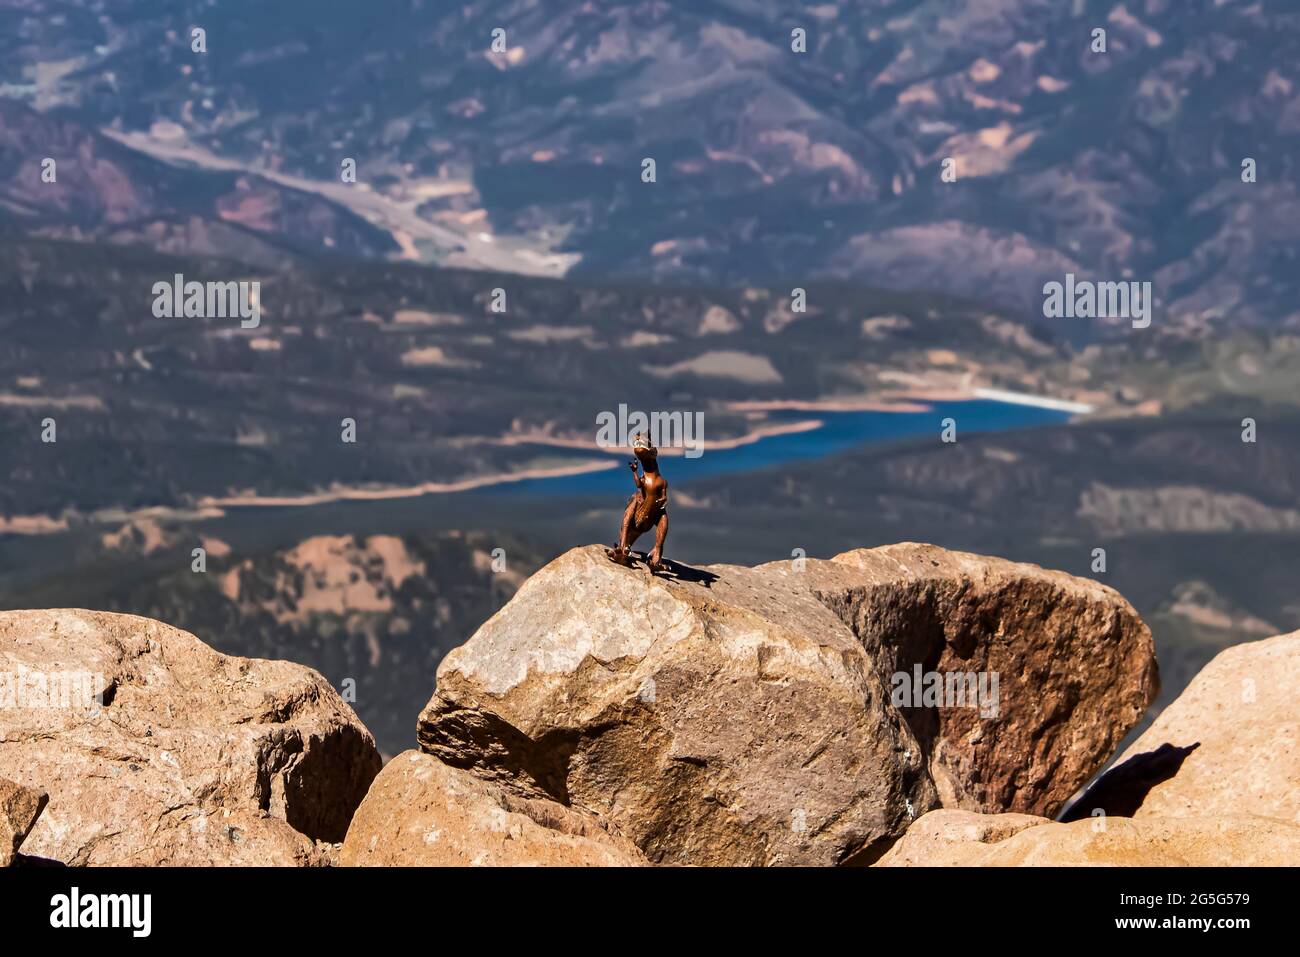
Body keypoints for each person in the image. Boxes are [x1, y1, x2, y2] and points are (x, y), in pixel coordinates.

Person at [605, 432, 669, 572]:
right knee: (633, 502)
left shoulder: (662, 481)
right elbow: (639, 485)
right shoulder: (645, 478)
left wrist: (662, 501)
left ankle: (657, 553)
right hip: (638, 514)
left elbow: (664, 497)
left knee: (664, 517)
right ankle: (623, 547)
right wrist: (634, 471)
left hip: (653, 514)